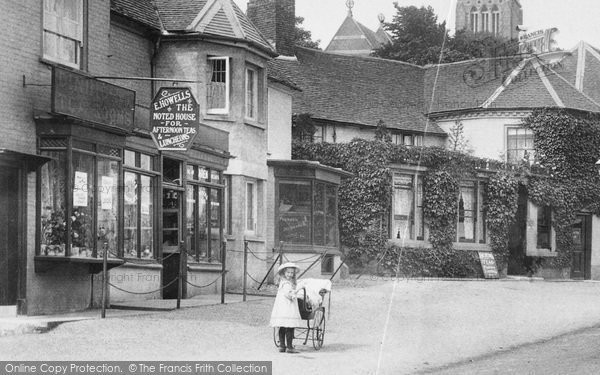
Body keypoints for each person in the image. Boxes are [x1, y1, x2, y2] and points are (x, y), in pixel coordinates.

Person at [270, 262, 303, 353]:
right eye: (288, 273)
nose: (290, 275)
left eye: (292, 273)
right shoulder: (286, 283)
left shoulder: (284, 282)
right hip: (288, 306)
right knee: (289, 325)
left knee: (282, 325)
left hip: (282, 307)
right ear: (284, 273)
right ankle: (289, 347)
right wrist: (295, 294)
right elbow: (288, 294)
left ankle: (282, 346)